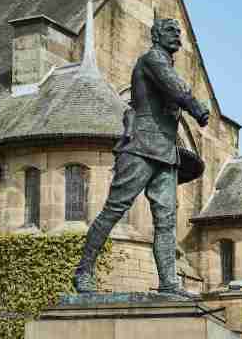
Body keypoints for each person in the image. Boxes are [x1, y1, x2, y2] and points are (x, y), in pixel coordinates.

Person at [74, 18, 209, 297]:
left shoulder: (164, 63)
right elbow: (176, 88)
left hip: (166, 153)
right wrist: (197, 109)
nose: (177, 37)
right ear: (157, 36)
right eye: (171, 32)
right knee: (115, 209)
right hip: (140, 145)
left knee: (166, 221)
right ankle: (84, 271)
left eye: (179, 33)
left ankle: (169, 282)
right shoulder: (151, 60)